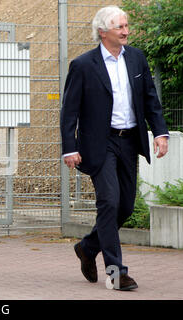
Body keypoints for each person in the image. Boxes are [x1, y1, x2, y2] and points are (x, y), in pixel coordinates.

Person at [60, 6, 169, 290]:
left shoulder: (136, 59)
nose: (126, 31)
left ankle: (87, 247)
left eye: (126, 25)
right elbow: (69, 111)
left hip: (130, 140)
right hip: (100, 143)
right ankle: (116, 272)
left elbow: (150, 98)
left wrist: (160, 132)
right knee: (108, 202)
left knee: (125, 206)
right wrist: (69, 148)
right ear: (102, 32)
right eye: (120, 27)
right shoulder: (83, 65)